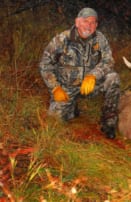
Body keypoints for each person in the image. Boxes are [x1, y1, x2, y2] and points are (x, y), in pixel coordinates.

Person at [39, 8, 120, 139]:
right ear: (77, 22)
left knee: (113, 78)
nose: (89, 25)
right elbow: (45, 65)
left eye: (93, 22)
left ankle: (109, 122)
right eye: (85, 21)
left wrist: (93, 75)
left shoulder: (100, 38)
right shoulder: (61, 39)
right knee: (53, 123)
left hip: (88, 86)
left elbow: (109, 61)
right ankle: (72, 107)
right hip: (66, 88)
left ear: (96, 25)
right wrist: (55, 88)